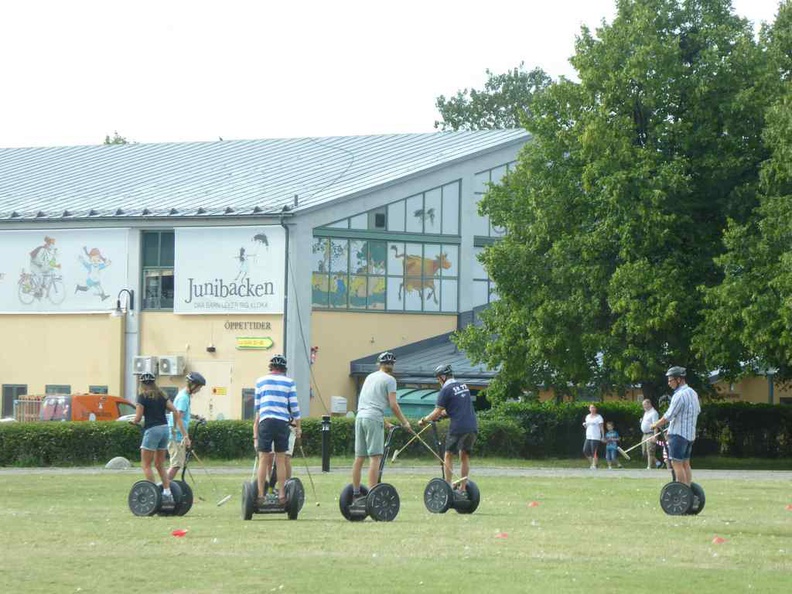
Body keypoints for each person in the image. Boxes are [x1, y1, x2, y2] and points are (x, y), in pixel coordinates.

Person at [352, 351, 413, 500]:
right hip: (373, 418)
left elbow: (368, 403)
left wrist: (385, 423)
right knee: (375, 457)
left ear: (379, 364)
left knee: (359, 457)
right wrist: (404, 422)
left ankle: (355, 492)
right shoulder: (390, 380)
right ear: (392, 365)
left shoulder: (370, 377)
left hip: (360, 417)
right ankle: (373, 495)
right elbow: (393, 405)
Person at [131, 373, 190, 504]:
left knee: (146, 465)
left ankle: (154, 493)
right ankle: (167, 493)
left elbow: (138, 417)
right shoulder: (162, 395)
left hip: (152, 430)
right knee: (160, 464)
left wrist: (133, 422)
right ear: (154, 382)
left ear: (142, 384)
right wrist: (173, 427)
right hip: (165, 430)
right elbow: (174, 410)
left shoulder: (142, 397)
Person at [418, 364, 478, 492]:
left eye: (438, 378)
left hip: (458, 427)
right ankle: (462, 488)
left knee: (448, 455)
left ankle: (448, 486)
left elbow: (436, 411)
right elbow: (457, 408)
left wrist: (424, 420)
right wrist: (442, 415)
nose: (438, 381)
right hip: (472, 426)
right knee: (464, 455)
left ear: (443, 377)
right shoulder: (463, 386)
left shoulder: (446, 389)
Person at [253, 354, 302, 505]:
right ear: (284, 369)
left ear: (271, 367)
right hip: (281, 422)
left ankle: (260, 494)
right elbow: (294, 407)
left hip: (265, 421)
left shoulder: (260, 381)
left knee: (263, 458)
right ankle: (282, 495)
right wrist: (299, 427)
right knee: (280, 459)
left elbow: (257, 407)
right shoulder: (289, 382)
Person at [651, 366, 701, 487]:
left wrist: (655, 424)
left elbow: (669, 416)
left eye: (670, 380)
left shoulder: (679, 395)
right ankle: (688, 489)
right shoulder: (693, 393)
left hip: (678, 435)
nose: (669, 383)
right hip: (690, 436)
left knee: (676, 463)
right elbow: (697, 411)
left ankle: (681, 490)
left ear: (679, 379)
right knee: (685, 463)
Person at [166, 371, 207, 480]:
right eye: (199, 387)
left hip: (178, 435)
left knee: (177, 464)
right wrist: (186, 437)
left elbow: (182, 413)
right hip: (177, 436)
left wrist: (196, 417)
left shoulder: (185, 396)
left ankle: (166, 488)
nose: (199, 390)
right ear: (193, 385)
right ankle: (163, 488)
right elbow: (178, 417)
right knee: (175, 465)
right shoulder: (183, 398)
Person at [639, 398, 660, 469]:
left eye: (644, 405)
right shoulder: (646, 412)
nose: (643, 406)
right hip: (644, 434)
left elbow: (656, 425)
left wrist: (655, 436)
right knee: (644, 452)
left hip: (651, 434)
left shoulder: (654, 413)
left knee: (650, 451)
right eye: (643, 405)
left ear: (649, 404)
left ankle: (649, 467)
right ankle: (657, 463)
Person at [582, 404, 604, 469]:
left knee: (594, 452)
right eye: (591, 408)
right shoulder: (587, 416)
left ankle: (594, 465)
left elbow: (601, 427)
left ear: (596, 409)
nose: (592, 409)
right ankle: (593, 464)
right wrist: (585, 425)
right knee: (585, 450)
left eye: (594, 407)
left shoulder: (599, 417)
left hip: (596, 436)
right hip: (588, 436)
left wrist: (603, 436)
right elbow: (587, 427)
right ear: (589, 409)